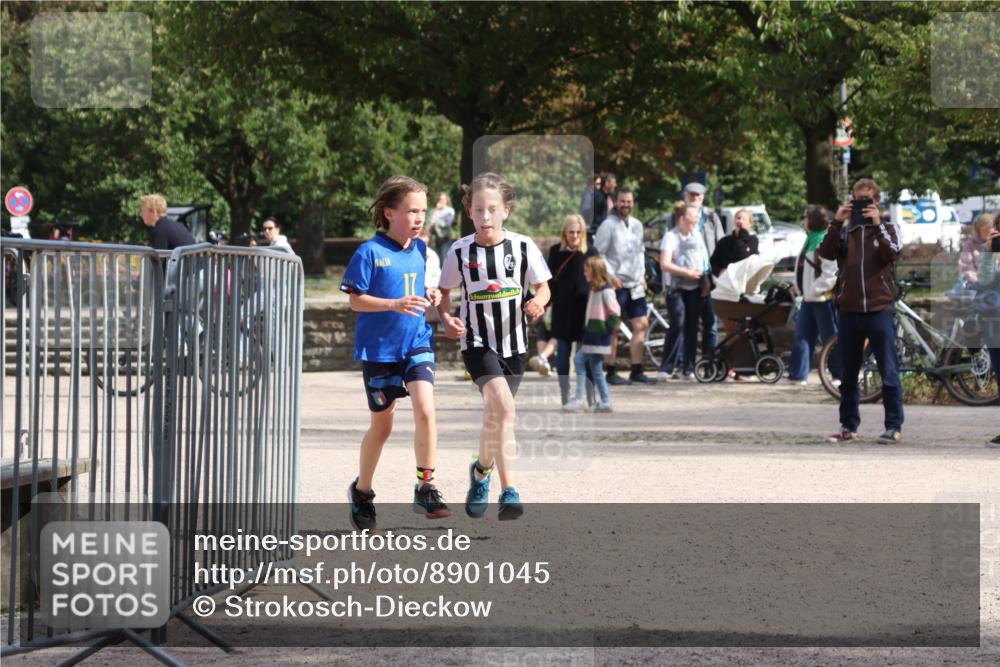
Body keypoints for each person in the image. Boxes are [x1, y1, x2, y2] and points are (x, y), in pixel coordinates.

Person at [437, 172, 551, 521]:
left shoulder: (522, 246)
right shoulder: (459, 250)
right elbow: (445, 294)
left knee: (495, 416)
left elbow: (543, 287)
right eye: (478, 210)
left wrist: (538, 303)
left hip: (515, 345)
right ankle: (510, 490)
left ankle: (480, 471)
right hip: (477, 341)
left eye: (492, 209)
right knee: (504, 410)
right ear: (469, 212)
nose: (485, 216)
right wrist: (446, 319)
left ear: (506, 211)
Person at [340, 175, 448, 532]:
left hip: (416, 340)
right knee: (382, 427)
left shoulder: (420, 250)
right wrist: (394, 303)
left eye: (423, 211)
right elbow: (355, 300)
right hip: (380, 350)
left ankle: (425, 485)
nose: (419, 218)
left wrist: (430, 296)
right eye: (411, 211)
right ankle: (362, 491)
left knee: (426, 410)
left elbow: (415, 289)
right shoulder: (369, 252)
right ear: (388, 212)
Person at [818, 178, 904, 444]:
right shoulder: (846, 230)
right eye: (857, 200)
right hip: (850, 310)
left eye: (867, 200)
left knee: (888, 370)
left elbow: (892, 253)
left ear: (876, 201)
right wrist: (837, 222)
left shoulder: (889, 227)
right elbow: (826, 252)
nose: (862, 206)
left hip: (879, 309)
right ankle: (848, 426)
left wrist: (877, 225)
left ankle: (893, 427)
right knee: (848, 371)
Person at [594, 188, 656, 385]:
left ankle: (636, 369)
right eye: (622, 201)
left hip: (635, 284)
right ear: (616, 202)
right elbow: (598, 254)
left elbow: (640, 252)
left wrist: (643, 275)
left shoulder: (637, 225)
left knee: (642, 324)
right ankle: (610, 371)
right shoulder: (608, 225)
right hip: (616, 285)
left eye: (629, 201)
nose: (626, 205)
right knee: (613, 328)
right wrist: (609, 277)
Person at [669, 183, 725, 369]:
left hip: (708, 275)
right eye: (691, 195)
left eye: (698, 195)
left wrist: (716, 272)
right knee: (685, 322)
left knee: (710, 322)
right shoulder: (675, 217)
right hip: (683, 278)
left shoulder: (711, 217)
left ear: (703, 197)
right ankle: (684, 363)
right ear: (685, 196)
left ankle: (710, 363)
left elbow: (720, 244)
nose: (694, 198)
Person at [547, 214, 597, 409]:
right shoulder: (554, 252)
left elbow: (599, 278)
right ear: (564, 233)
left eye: (578, 232)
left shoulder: (591, 251)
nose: (575, 236)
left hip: (585, 309)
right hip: (563, 309)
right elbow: (548, 282)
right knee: (563, 354)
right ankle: (565, 394)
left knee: (587, 355)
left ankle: (590, 397)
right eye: (571, 232)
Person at [658, 202, 712, 381]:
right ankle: (666, 367)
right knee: (678, 323)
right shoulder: (670, 237)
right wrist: (686, 272)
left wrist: (705, 282)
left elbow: (704, 261)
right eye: (693, 218)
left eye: (697, 218)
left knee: (692, 326)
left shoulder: (696, 234)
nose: (696, 220)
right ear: (682, 219)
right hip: (676, 288)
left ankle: (688, 368)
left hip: (695, 288)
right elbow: (664, 264)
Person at [787, 205, 840, 386]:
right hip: (809, 299)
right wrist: (798, 287)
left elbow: (831, 274)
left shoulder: (823, 241)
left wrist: (813, 290)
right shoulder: (809, 240)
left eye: (806, 217)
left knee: (830, 338)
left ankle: (839, 374)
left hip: (822, 299)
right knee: (802, 336)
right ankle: (798, 374)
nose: (803, 221)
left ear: (814, 220)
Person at [580, 255, 621, 412]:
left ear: (595, 272)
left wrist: (605, 332)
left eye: (587, 270)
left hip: (598, 339)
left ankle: (605, 401)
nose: (584, 273)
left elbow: (615, 313)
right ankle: (592, 399)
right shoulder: (594, 290)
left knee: (595, 370)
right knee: (583, 363)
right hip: (590, 338)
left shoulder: (606, 291)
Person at [710, 208, 758, 277]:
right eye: (738, 218)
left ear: (750, 224)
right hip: (728, 281)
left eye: (744, 219)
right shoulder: (724, 241)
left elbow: (742, 255)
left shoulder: (753, 240)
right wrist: (720, 271)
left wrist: (742, 233)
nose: (740, 221)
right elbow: (714, 262)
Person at [958, 213, 997, 286]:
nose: (989, 233)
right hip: (977, 284)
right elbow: (966, 268)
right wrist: (978, 281)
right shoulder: (970, 245)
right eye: (985, 230)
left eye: (991, 230)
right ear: (978, 231)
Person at [427, 192, 456, 265]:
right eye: (440, 199)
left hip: (445, 237)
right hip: (434, 238)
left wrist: (436, 222)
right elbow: (430, 223)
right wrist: (437, 210)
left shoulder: (450, 210)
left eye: (443, 199)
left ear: (447, 200)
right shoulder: (433, 211)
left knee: (444, 259)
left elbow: (447, 223)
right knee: (435, 259)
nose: (441, 201)